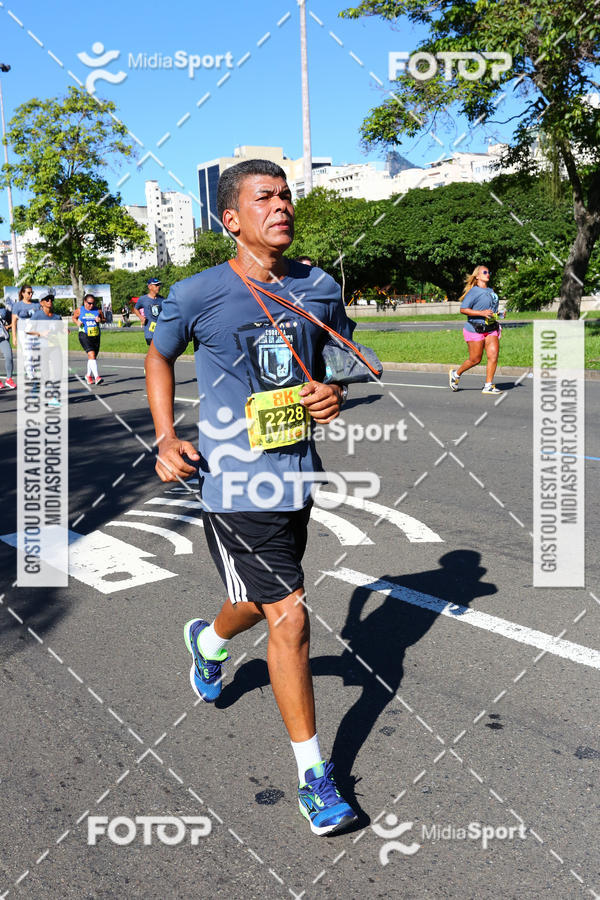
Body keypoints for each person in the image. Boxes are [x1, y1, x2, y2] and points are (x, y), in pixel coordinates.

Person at [146, 158, 358, 836]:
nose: (282, 206)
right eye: (265, 197)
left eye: (287, 196)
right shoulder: (199, 293)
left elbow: (336, 358)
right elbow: (159, 356)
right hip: (233, 485)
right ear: (231, 219)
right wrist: (164, 436)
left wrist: (333, 394)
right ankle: (314, 778)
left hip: (296, 475)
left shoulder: (319, 286)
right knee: (290, 618)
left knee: (256, 601)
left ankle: (207, 642)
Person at [449, 265, 504, 395]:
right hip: (475, 329)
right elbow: (463, 309)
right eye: (484, 272)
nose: (488, 274)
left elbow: (490, 310)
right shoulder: (474, 291)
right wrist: (481, 313)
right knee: (475, 359)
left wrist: (499, 314)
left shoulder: (491, 290)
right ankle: (456, 374)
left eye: (489, 272)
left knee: (493, 355)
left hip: (491, 328)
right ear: (477, 276)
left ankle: (488, 385)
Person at [27, 291, 63, 407]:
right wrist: (40, 333)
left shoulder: (57, 316)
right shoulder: (37, 315)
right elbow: (28, 330)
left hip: (55, 347)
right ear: (41, 303)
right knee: (45, 373)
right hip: (41, 348)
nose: (50, 301)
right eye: (47, 300)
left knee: (58, 372)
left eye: (51, 299)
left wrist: (64, 330)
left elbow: (60, 329)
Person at [73, 293, 104, 385]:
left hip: (95, 335)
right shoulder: (80, 310)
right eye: (89, 303)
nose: (91, 305)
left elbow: (104, 319)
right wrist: (77, 323)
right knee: (91, 354)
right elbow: (74, 318)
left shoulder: (98, 311)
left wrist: (100, 320)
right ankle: (97, 377)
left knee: (92, 357)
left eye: (93, 303)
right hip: (84, 334)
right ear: (84, 302)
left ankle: (88, 375)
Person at [11, 285, 40, 379]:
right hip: (23, 331)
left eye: (32, 293)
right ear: (23, 293)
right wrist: (14, 337)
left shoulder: (36, 304)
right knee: (27, 352)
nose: (30, 295)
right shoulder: (17, 305)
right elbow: (14, 322)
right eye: (28, 293)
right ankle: (30, 372)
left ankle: (32, 368)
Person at [134, 278, 164, 346]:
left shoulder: (162, 299)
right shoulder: (143, 299)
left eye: (159, 285)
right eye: (156, 285)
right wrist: (141, 317)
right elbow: (135, 309)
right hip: (149, 333)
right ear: (150, 287)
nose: (158, 287)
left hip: (161, 332)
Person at [0, 303, 16, 390]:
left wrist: (8, 326)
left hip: (2, 337)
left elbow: (13, 322)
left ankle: (9, 379)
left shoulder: (4, 310)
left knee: (9, 356)